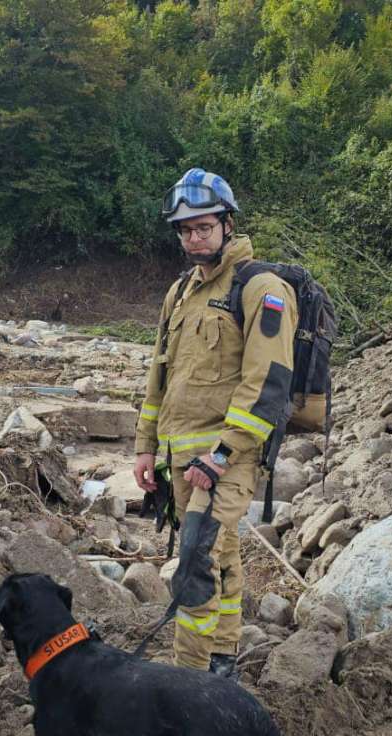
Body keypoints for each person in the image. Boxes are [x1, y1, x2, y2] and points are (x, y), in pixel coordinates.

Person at [133, 168, 297, 679]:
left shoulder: (261, 288)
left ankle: (189, 676)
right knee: (221, 555)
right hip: (181, 460)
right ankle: (223, 656)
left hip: (228, 458)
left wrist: (222, 454)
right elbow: (160, 375)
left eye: (203, 227)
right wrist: (145, 448)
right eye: (184, 230)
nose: (193, 237)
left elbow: (267, 383)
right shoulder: (181, 292)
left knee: (196, 562)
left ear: (228, 224)